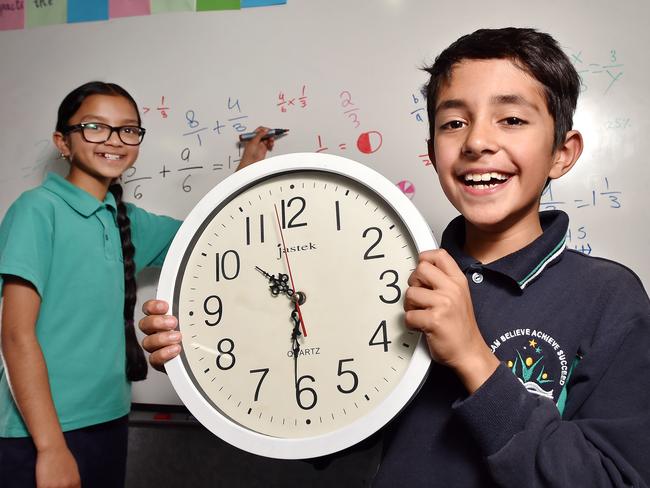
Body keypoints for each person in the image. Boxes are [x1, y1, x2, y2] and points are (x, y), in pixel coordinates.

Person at [138, 27, 650, 487]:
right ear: (432, 150)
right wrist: (205, 363)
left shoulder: (609, 298)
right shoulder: (394, 276)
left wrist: (473, 358)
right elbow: (330, 423)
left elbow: (612, 476)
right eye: (454, 123)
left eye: (511, 118)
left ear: (563, 151)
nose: (477, 141)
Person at [0, 81, 274, 488]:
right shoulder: (37, 210)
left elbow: (212, 235)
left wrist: (248, 166)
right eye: (95, 127)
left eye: (128, 129)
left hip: (111, 420)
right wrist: (51, 448)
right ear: (64, 142)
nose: (114, 140)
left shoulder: (129, 220)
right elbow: (16, 336)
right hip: (41, 433)